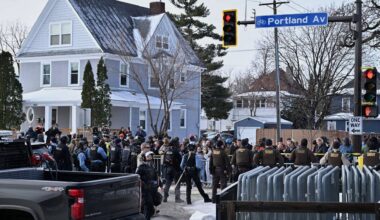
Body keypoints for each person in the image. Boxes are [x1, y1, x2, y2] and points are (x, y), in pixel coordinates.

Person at [136, 151, 162, 220]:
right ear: (144, 158)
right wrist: (143, 185)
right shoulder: (141, 167)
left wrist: (160, 184)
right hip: (145, 190)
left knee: (152, 206)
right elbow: (137, 177)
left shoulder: (152, 166)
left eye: (151, 156)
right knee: (148, 206)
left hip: (153, 189)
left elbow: (156, 176)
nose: (150, 158)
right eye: (148, 156)